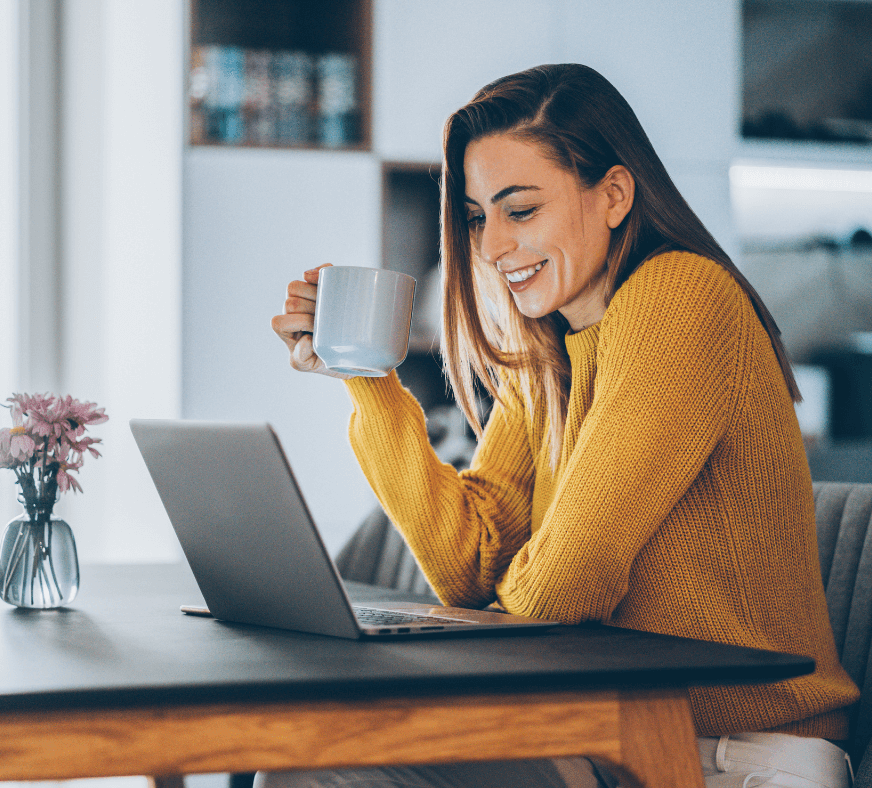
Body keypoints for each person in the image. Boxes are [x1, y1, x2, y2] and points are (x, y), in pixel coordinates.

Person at [267, 64, 860, 788]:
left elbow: (565, 587)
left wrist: (497, 609)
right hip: (606, 731)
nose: (489, 248)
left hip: (736, 754)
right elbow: (468, 567)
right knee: (308, 762)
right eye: (480, 216)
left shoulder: (681, 297)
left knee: (320, 770)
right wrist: (368, 380)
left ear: (613, 195)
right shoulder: (545, 352)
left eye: (521, 210)